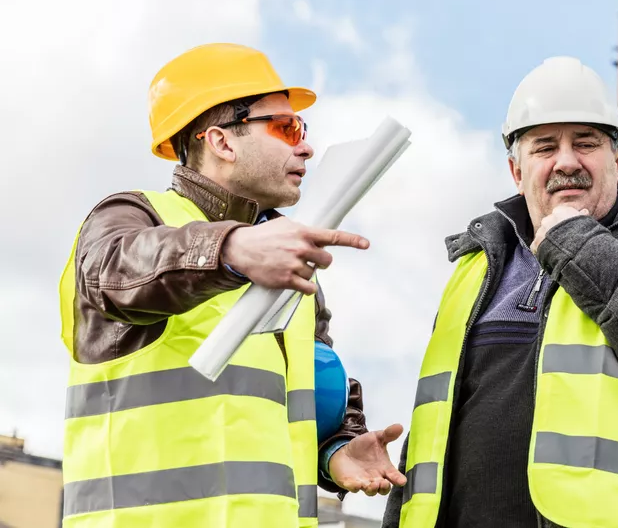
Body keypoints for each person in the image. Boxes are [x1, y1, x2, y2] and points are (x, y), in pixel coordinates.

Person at [57, 43, 407, 528]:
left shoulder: (286, 258)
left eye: (302, 130)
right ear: (222, 142)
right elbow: (109, 273)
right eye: (286, 128)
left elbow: (293, 402)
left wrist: (334, 451)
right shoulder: (134, 218)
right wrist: (231, 248)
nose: (305, 146)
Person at [382, 56, 618, 528]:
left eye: (585, 143)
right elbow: (429, 433)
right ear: (515, 170)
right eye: (545, 147)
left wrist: (578, 243)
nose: (566, 161)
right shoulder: (473, 267)